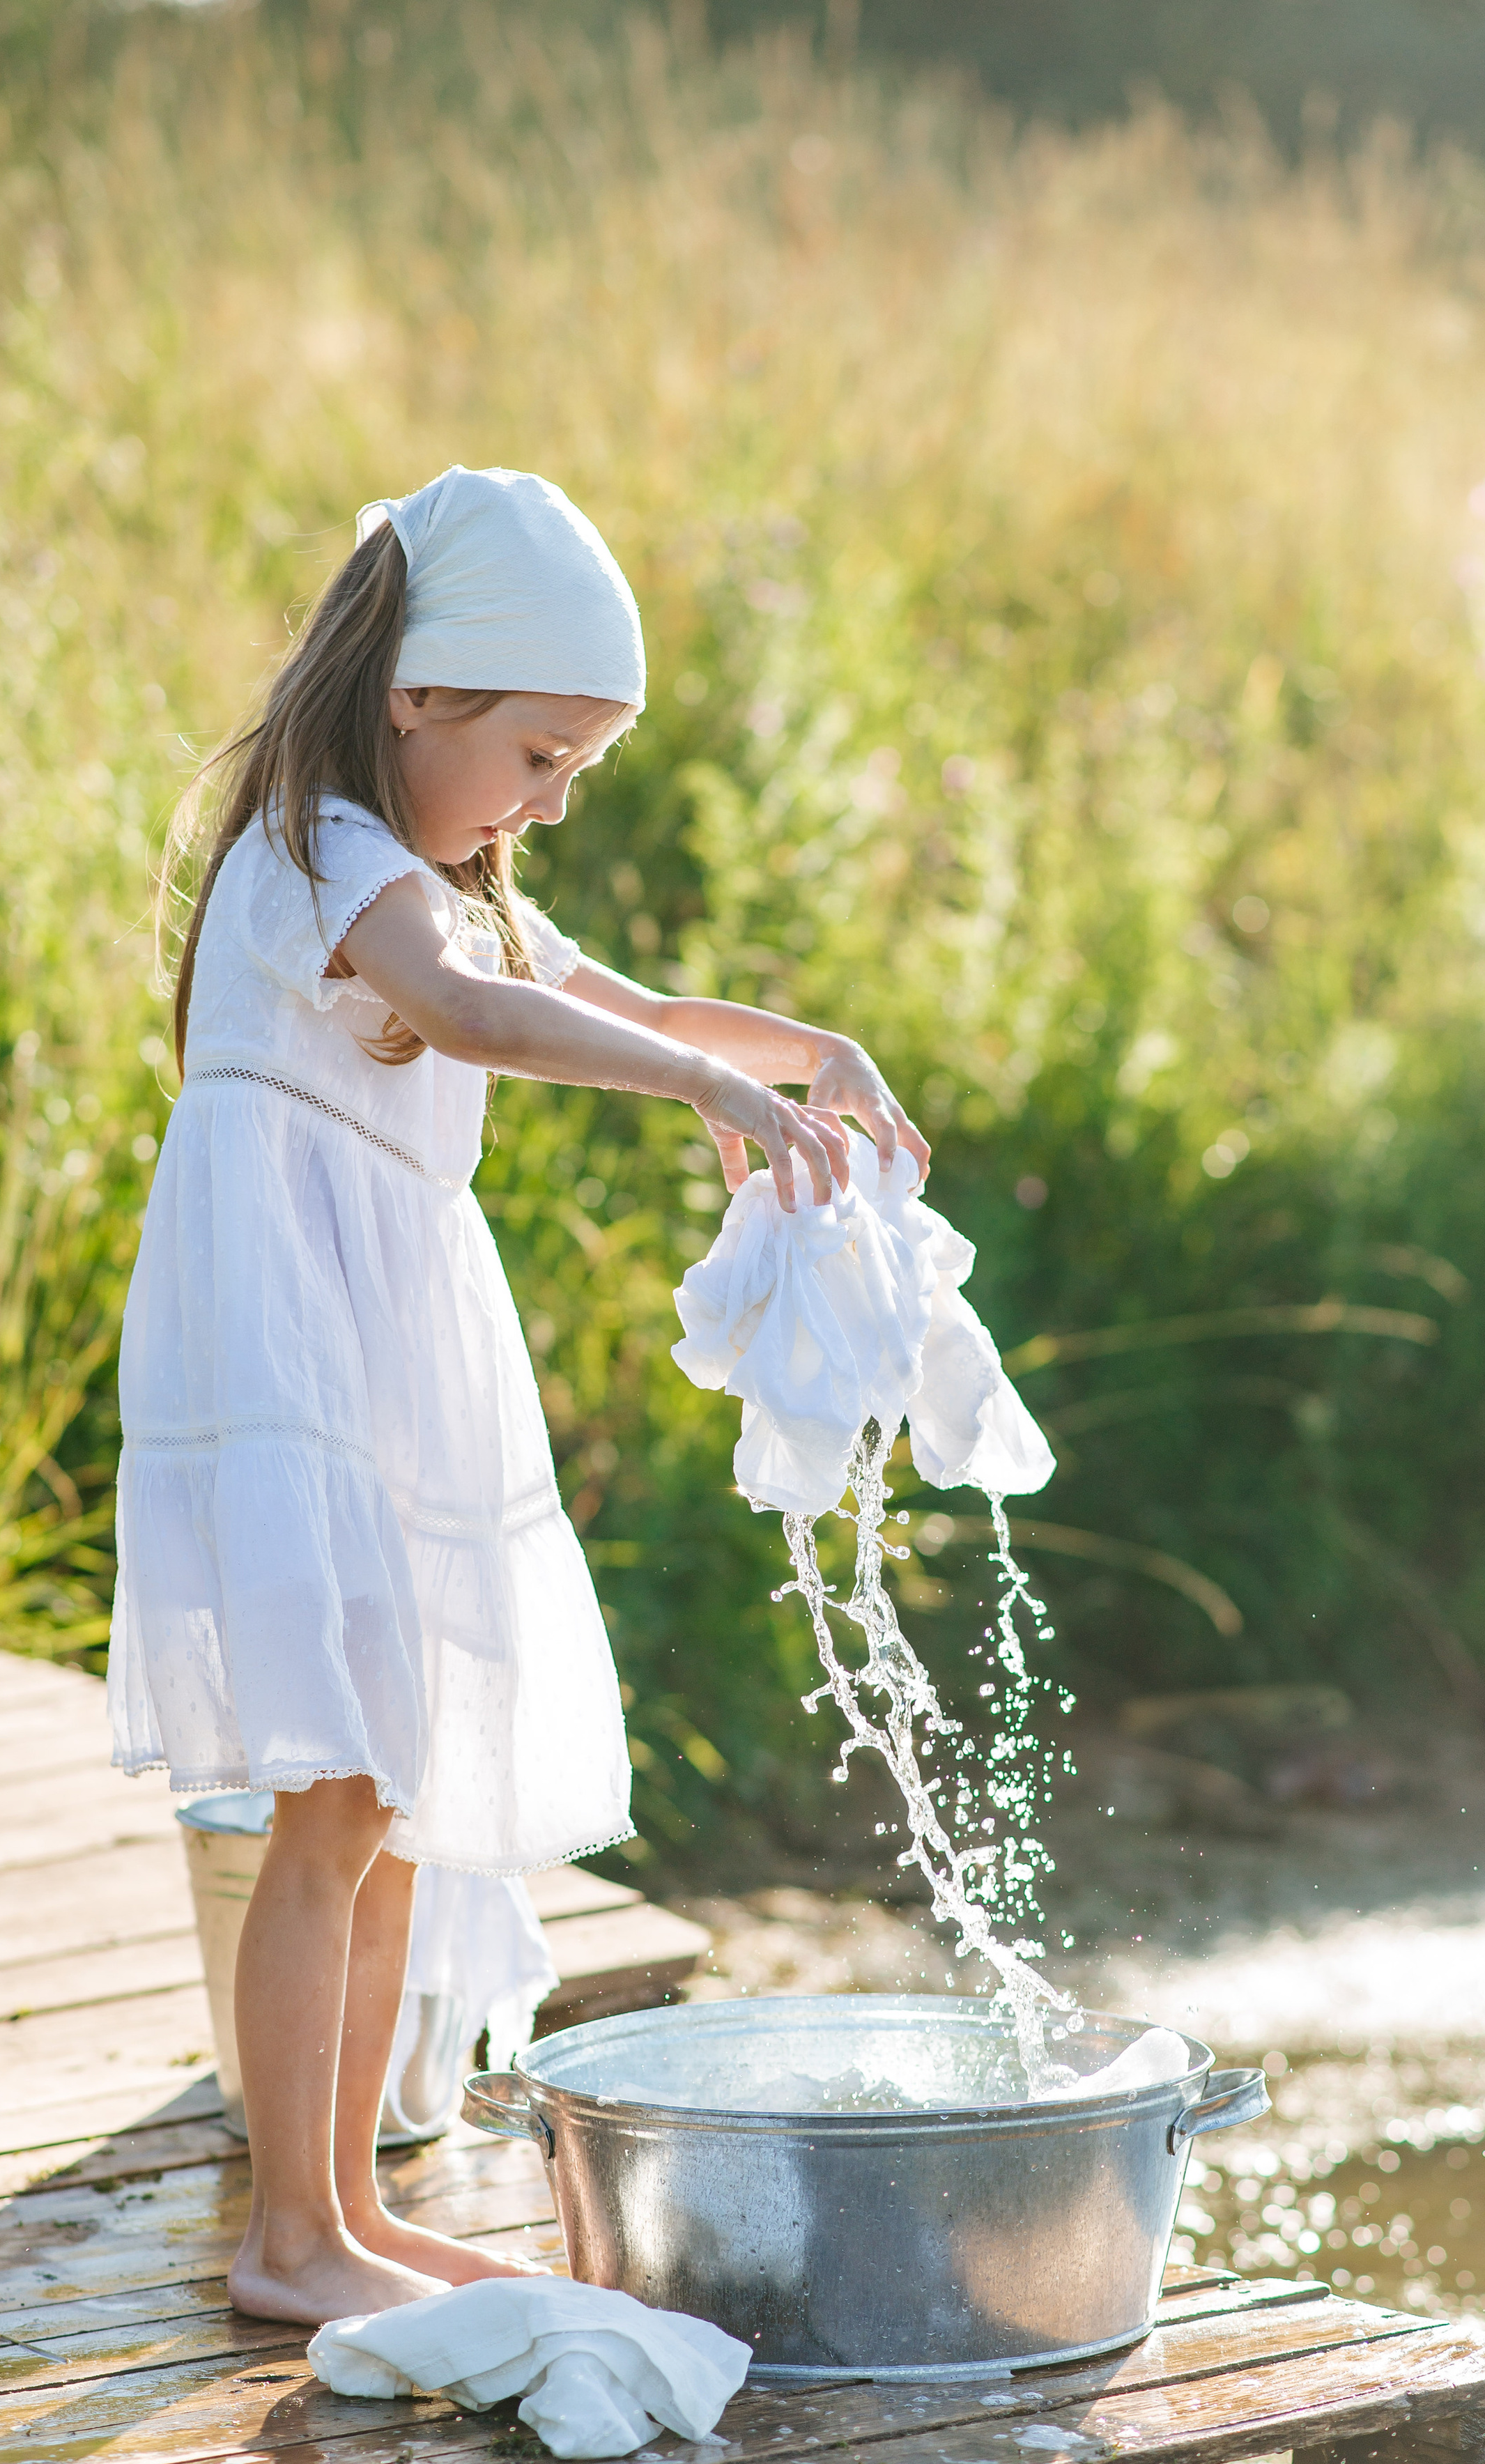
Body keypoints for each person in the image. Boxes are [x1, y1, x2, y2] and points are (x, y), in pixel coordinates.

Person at [106, 464, 930, 2327]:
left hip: (389, 1311)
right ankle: (290, 2228)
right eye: (540, 755)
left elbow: (595, 987)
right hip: (291, 1316)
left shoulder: (444, 882)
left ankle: (346, 2210)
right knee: (328, 1788)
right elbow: (478, 1020)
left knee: (384, 1788)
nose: (551, 802)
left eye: (580, 772)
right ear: (419, 694)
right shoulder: (319, 847)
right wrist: (710, 1098)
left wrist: (804, 1049)